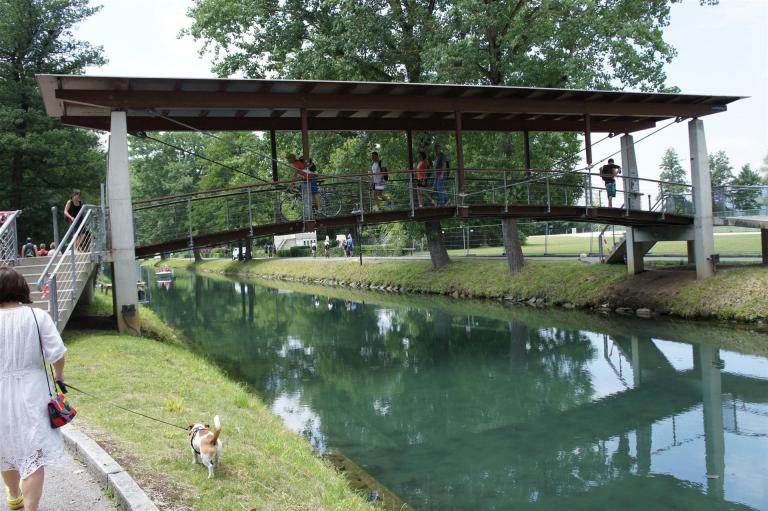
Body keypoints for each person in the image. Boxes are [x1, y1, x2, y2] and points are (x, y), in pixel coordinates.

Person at [0, 267, 67, 511]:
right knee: (33, 452)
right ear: (22, 288)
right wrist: (59, 376)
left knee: (4, 444)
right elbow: (56, 353)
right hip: (32, 391)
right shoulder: (37, 316)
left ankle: (14, 494)